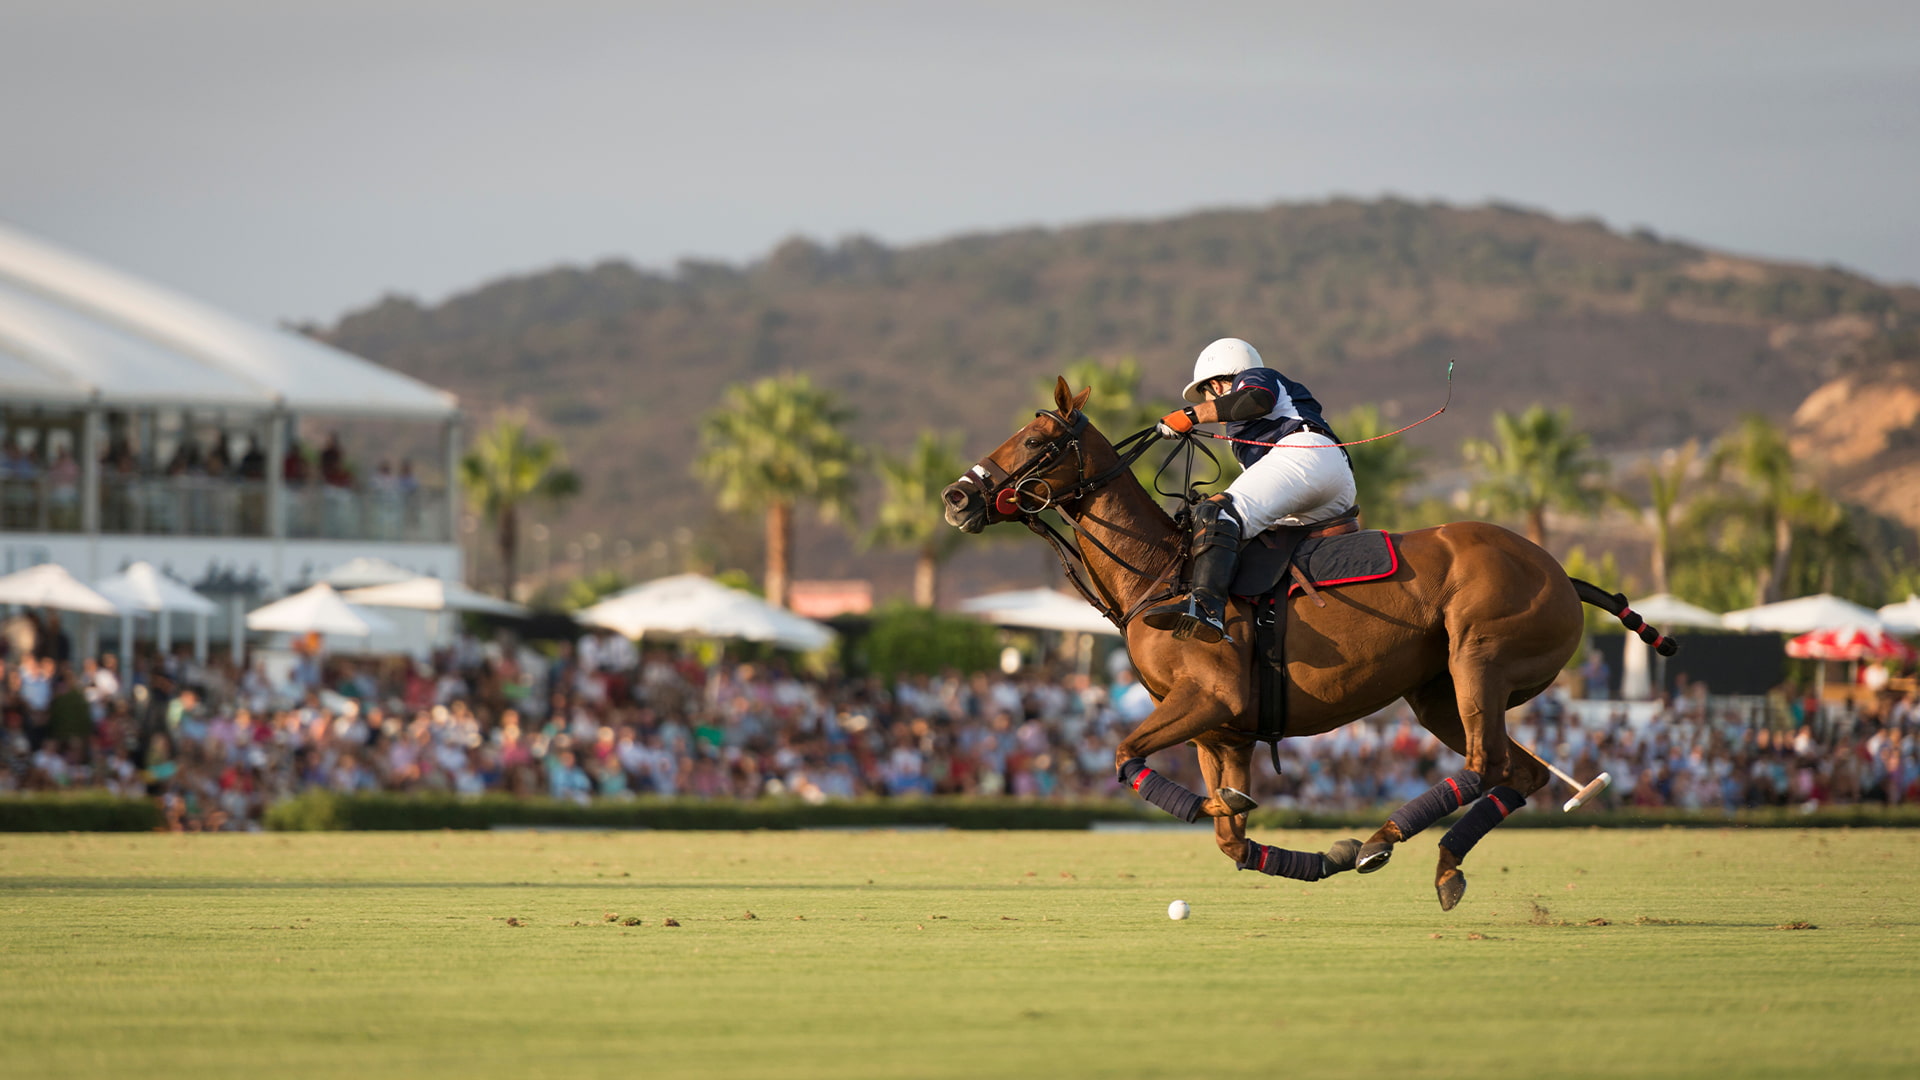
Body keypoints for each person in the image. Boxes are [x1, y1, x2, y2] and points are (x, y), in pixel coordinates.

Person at [1142, 338, 1357, 644]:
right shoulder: (1242, 432)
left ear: (1217, 385)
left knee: (1217, 512)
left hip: (1307, 455)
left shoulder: (1255, 377)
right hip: (1329, 479)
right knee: (1251, 543)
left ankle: (1206, 608)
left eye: (1205, 393)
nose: (1207, 402)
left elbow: (1257, 400)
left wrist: (1189, 416)